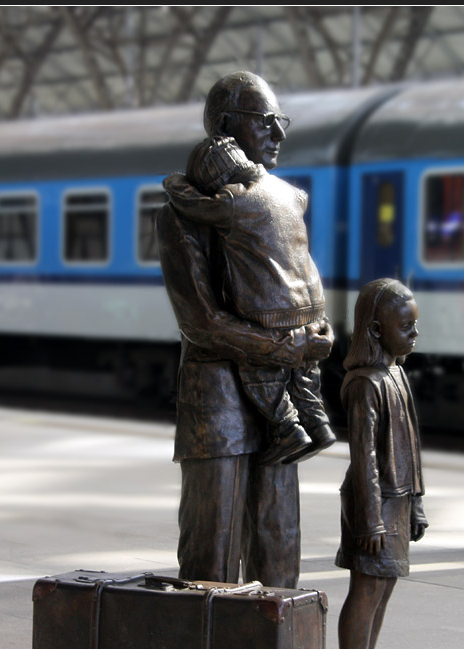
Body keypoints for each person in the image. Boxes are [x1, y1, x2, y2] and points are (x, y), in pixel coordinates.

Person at [155, 71, 334, 588]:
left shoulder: (280, 202)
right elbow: (203, 323)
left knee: (279, 540)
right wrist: (291, 348)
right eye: (268, 122)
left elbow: (298, 283)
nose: (279, 135)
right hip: (217, 398)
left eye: (282, 122)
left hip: (278, 385)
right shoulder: (182, 214)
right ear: (228, 127)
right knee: (213, 548)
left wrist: (313, 335)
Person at [164, 134, 336, 466]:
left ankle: (289, 430)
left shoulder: (234, 199)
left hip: (274, 310)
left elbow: (198, 206)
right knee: (303, 374)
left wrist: (176, 186)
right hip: (312, 307)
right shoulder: (290, 193)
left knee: (263, 376)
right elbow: (300, 198)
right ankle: (318, 422)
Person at [334, 278, 429, 649]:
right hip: (373, 505)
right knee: (366, 589)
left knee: (384, 589)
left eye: (414, 324)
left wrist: (418, 502)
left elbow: (411, 443)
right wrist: (370, 520)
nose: (414, 333)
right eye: (405, 325)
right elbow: (364, 457)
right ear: (375, 330)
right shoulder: (364, 384)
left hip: (397, 500)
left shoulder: (396, 373)